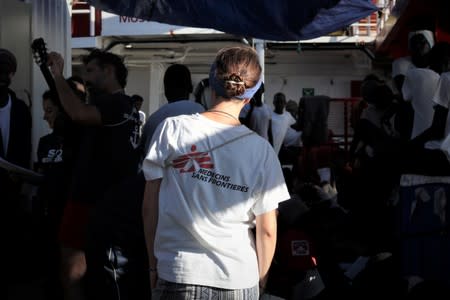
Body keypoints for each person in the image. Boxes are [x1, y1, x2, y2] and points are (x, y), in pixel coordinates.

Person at [142, 46, 290, 299]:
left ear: (210, 83)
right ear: (250, 95)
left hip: (178, 271)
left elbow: (149, 206)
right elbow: (267, 229)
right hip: (239, 278)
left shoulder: (172, 129)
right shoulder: (262, 151)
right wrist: (261, 281)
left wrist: (153, 265)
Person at [47, 49, 143, 300]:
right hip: (107, 201)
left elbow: (79, 114)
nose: (86, 78)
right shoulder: (126, 106)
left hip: (92, 200)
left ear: (108, 71)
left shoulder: (115, 103)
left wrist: (57, 75)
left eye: (90, 71)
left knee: (74, 269)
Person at [1, 47, 33, 290]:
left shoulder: (21, 108)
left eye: (6, 69)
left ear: (12, 74)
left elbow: (25, 149)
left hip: (12, 187)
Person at [140, 63, 205, 155]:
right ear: (190, 88)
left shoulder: (153, 120)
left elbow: (144, 154)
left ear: (166, 89)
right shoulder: (202, 112)